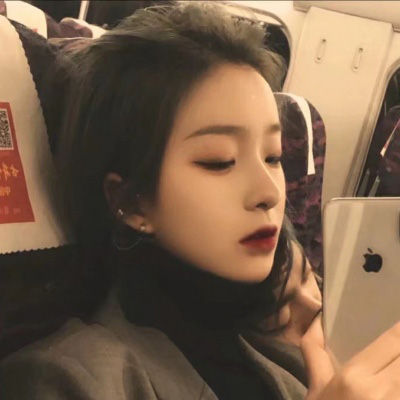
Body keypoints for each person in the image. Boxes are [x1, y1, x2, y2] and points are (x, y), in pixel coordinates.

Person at [1, 2, 400, 399]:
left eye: (273, 156)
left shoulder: (285, 336)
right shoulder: (69, 379)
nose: (269, 193)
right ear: (131, 200)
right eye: (219, 161)